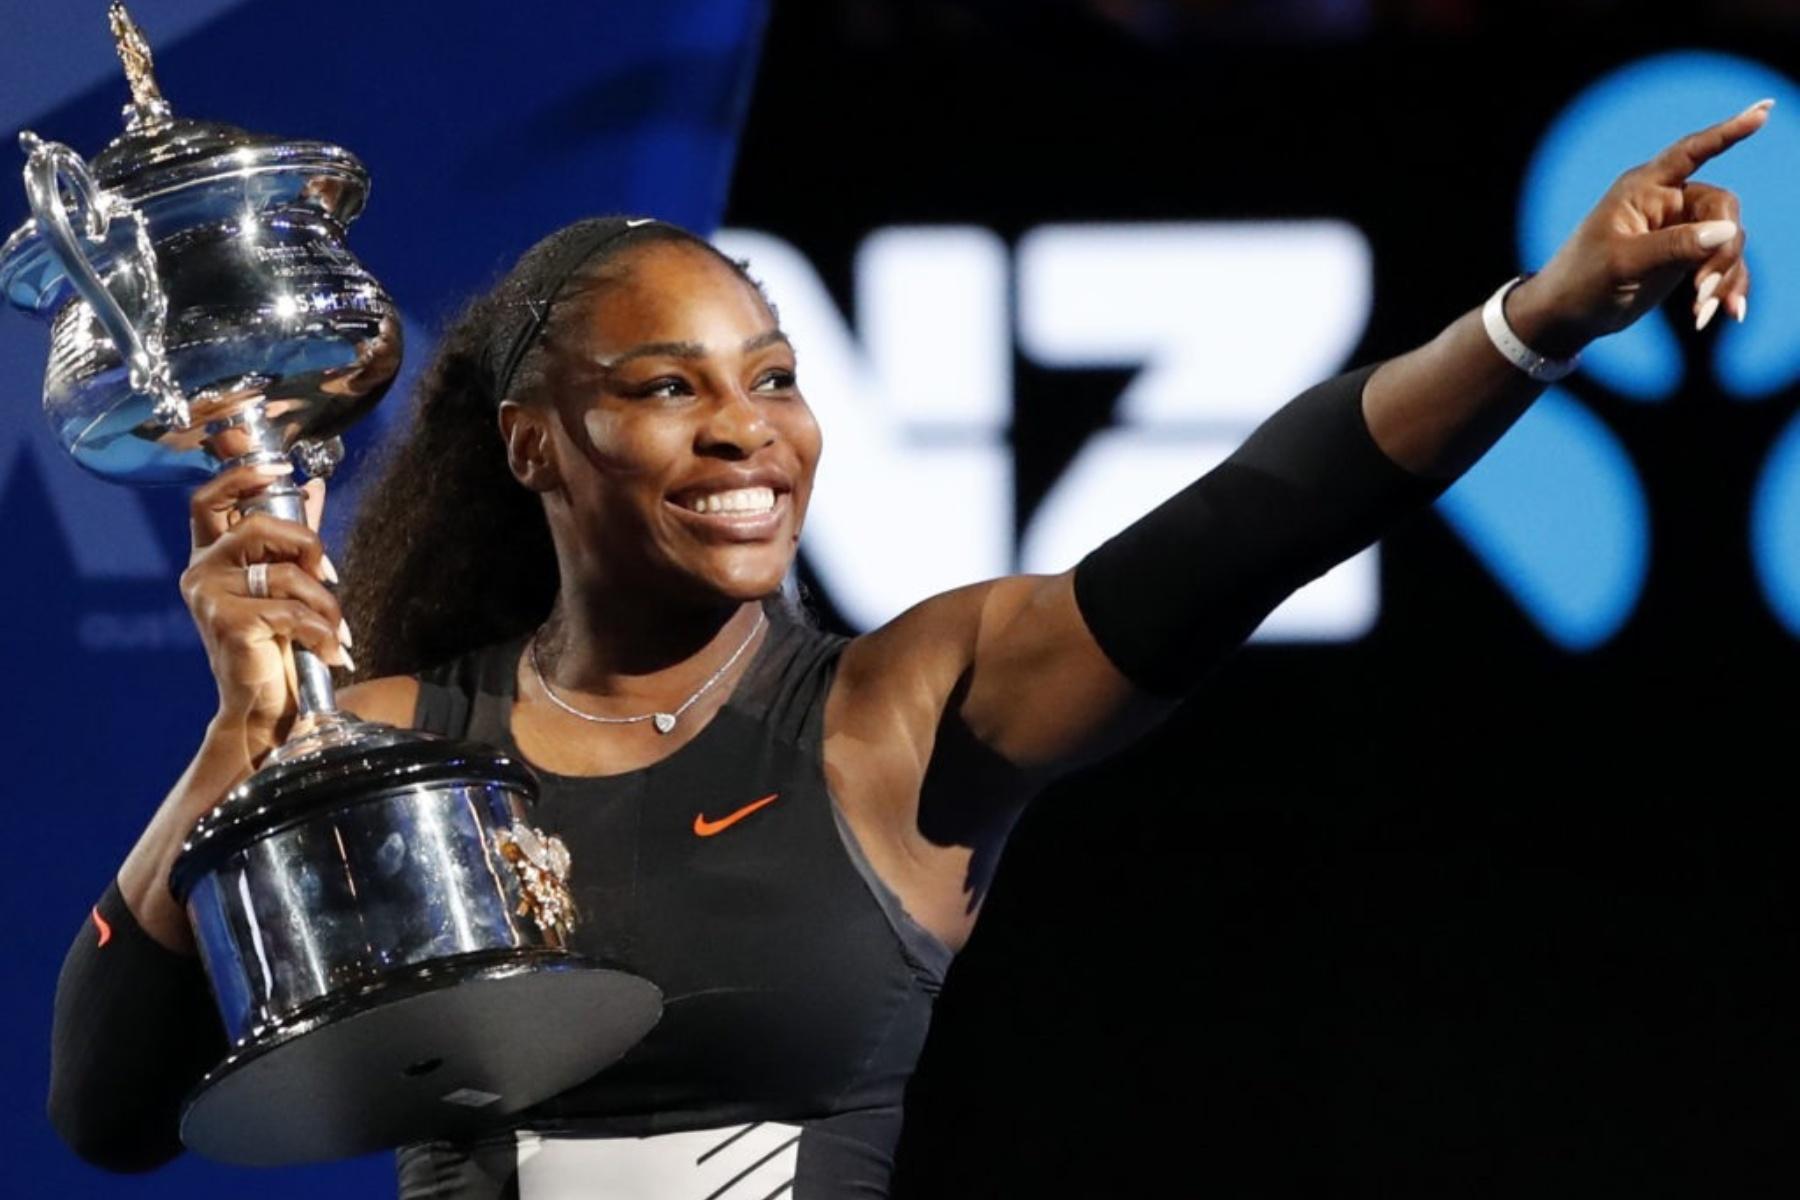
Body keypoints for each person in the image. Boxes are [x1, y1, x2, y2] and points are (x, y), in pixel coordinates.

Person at [47, 101, 1768, 1198]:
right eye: (667, 389)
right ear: (533, 446)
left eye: (775, 379)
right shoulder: (401, 740)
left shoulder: (902, 712)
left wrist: (1535, 322)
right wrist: (244, 755)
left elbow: (1256, 521)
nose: (750, 435)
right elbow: (108, 1114)